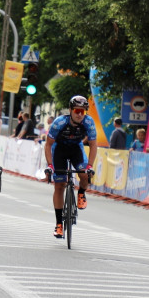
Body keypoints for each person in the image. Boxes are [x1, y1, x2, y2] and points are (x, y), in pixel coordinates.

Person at [44, 95, 98, 238]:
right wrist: (50, 165)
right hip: (59, 149)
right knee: (59, 185)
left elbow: (93, 145)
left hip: (76, 149)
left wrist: (90, 165)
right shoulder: (59, 122)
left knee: (85, 174)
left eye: (83, 111)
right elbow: (48, 144)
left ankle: (81, 193)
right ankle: (59, 224)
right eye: (76, 111)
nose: (80, 114)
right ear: (70, 110)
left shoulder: (89, 122)